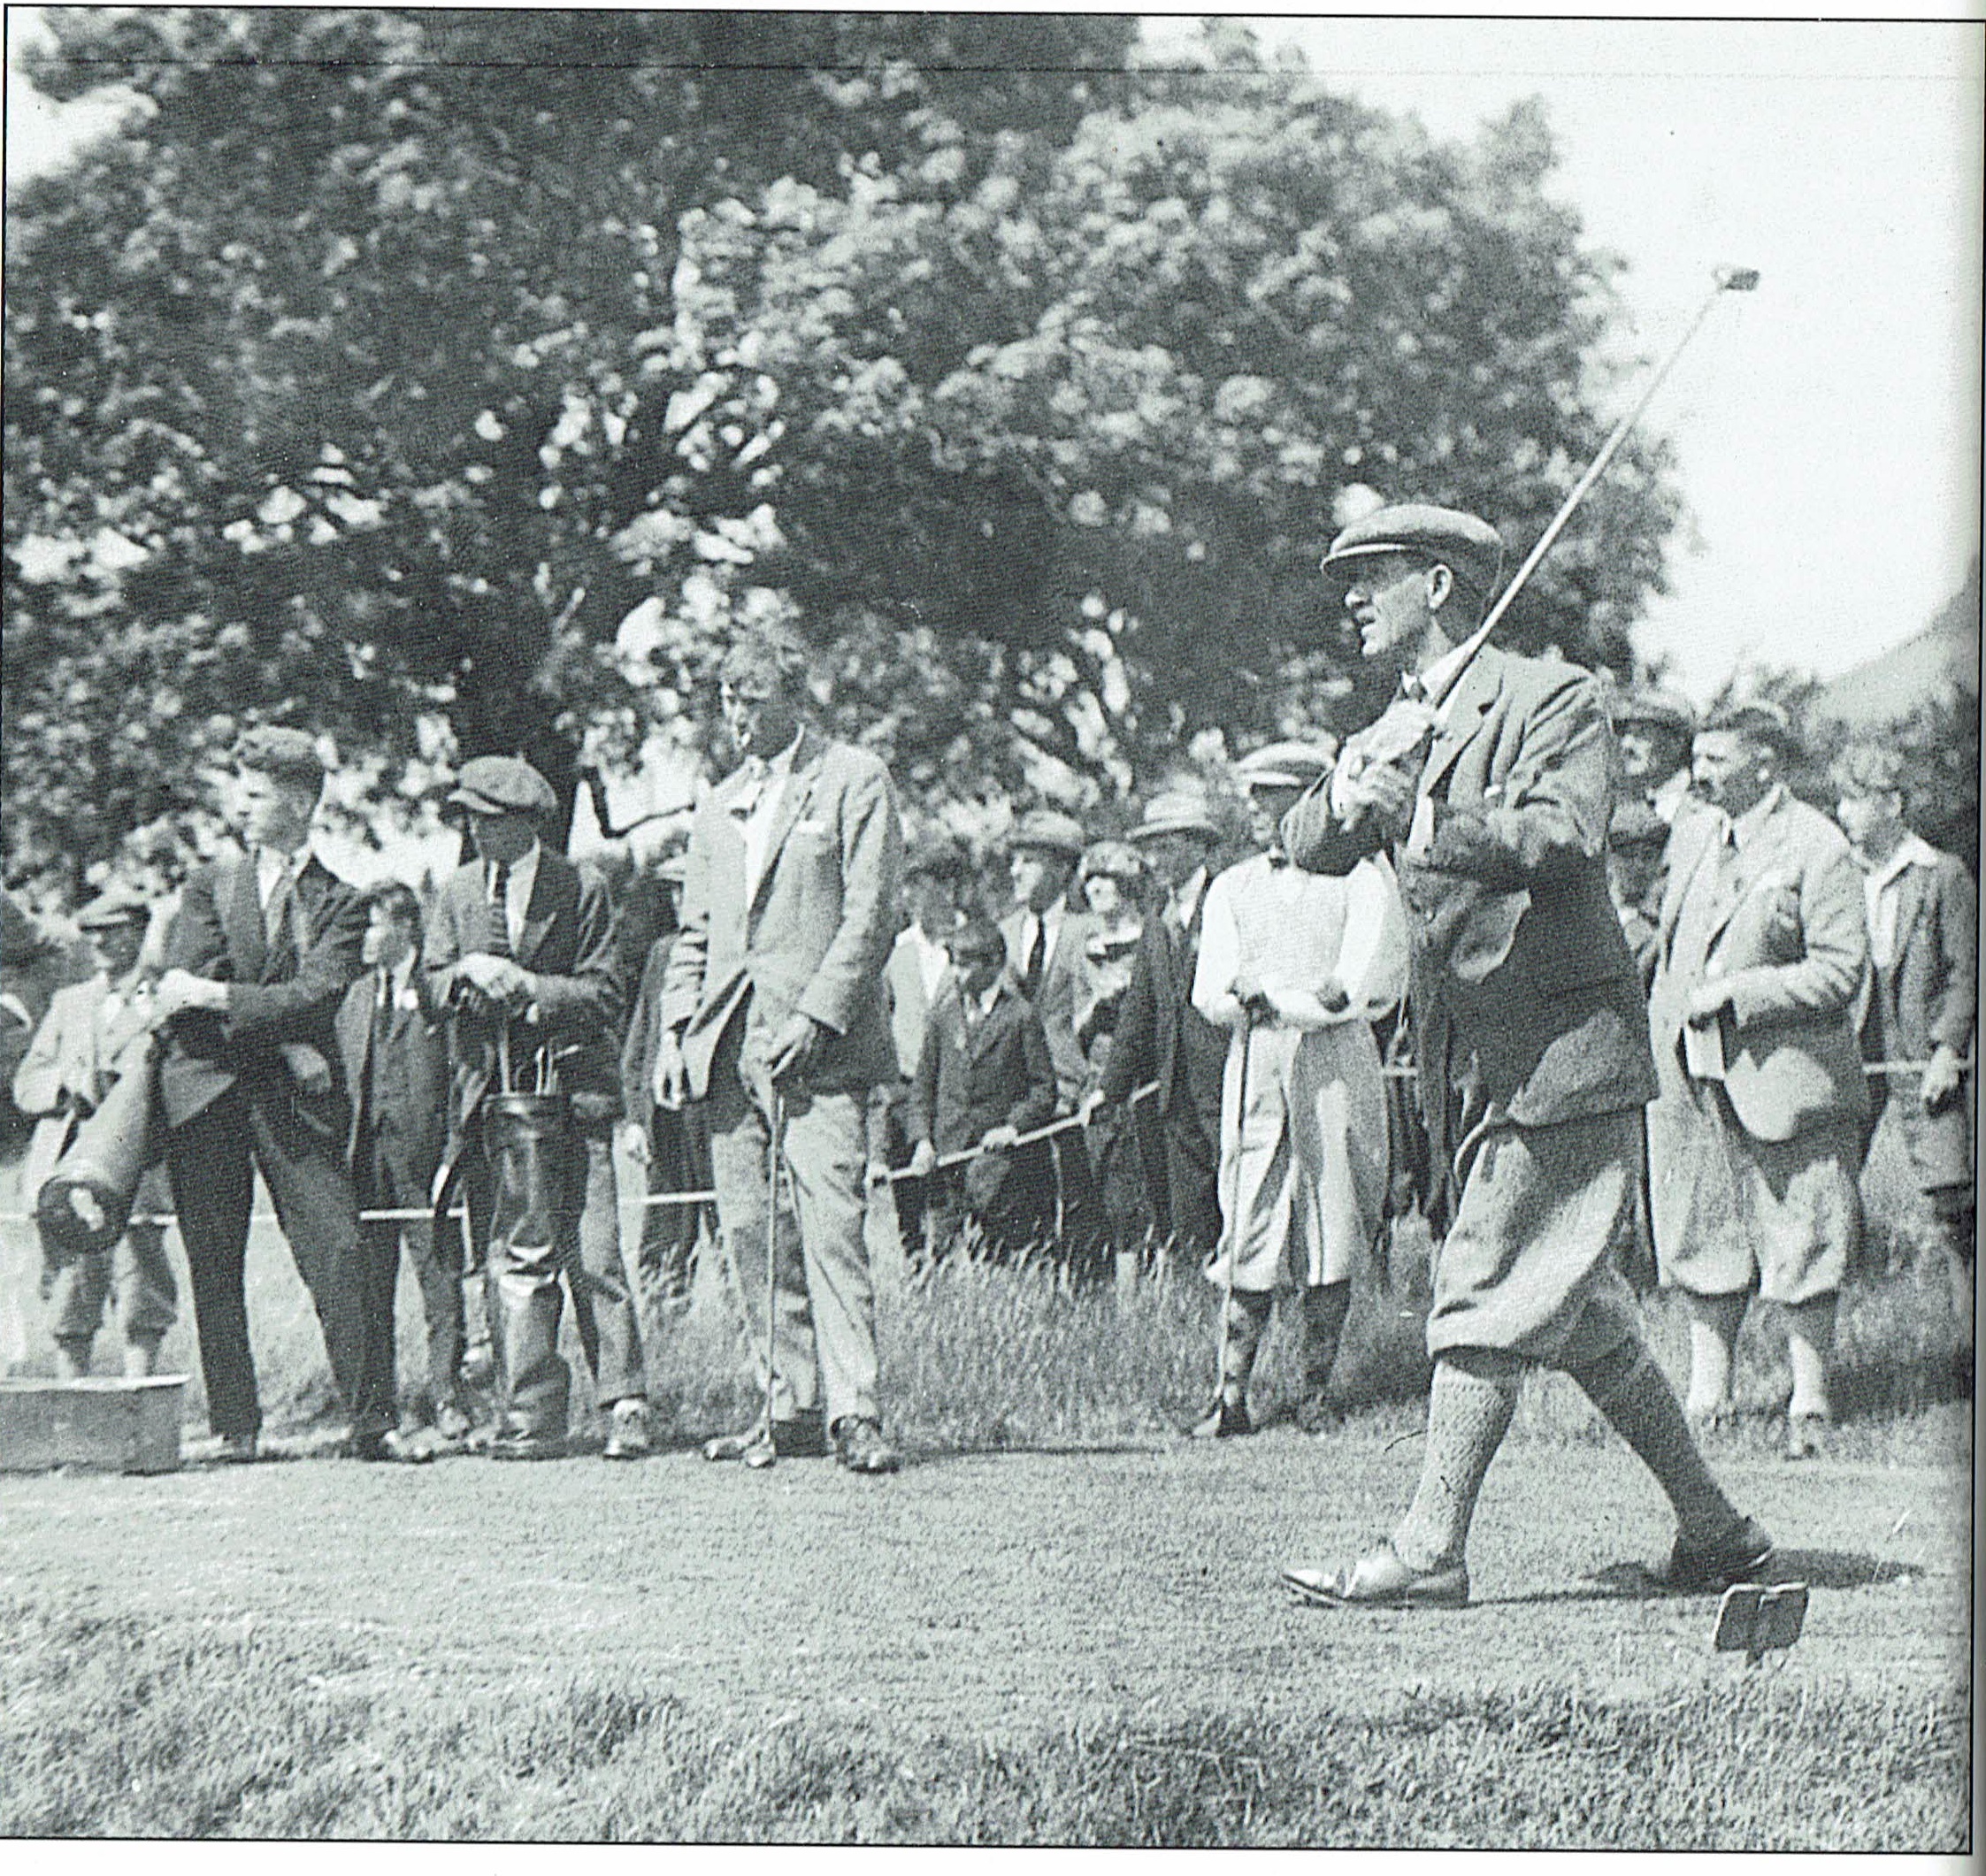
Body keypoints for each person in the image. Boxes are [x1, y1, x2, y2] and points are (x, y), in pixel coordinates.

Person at [1277, 502, 1769, 1609]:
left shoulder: (1553, 697)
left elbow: (1563, 835)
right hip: (1469, 1069)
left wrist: (1422, 819)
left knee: (1486, 1286)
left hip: (1566, 1050)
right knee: (1586, 1325)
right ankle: (1721, 1537)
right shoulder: (1398, 716)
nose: (1351, 597)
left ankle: (1428, 1549)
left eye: (1375, 574)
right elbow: (1303, 845)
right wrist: (1350, 793)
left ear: (1440, 586)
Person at [659, 624, 905, 1474]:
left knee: (832, 1227)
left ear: (792, 698)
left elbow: (870, 915)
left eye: (751, 698)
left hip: (820, 1051)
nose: (735, 713)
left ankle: (855, 1410)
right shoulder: (717, 802)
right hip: (728, 1046)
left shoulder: (853, 779)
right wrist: (676, 1031)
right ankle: (785, 1403)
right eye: (726, 696)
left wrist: (818, 1017)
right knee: (749, 1230)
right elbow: (694, 932)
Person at [150, 727, 405, 1462]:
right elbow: (182, 991)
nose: (240, 805)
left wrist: (226, 995)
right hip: (206, 1093)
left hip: (294, 1105)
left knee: (341, 1248)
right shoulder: (208, 885)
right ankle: (237, 1427)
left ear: (297, 802)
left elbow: (314, 995)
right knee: (214, 1261)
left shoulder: (343, 902)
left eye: (255, 793)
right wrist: (282, 1034)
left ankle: (371, 1421)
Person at [1647, 705, 1868, 1459]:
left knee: (1803, 1232)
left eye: (1715, 758)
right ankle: (1709, 1394)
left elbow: (1840, 971)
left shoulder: (1819, 846)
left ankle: (1810, 1400)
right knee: (1699, 1226)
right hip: (1691, 1074)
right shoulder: (1693, 833)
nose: (1698, 770)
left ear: (1765, 764)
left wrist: (1742, 991)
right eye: (1697, 756)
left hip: (1783, 1078)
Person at [426, 754, 652, 1462]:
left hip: (574, 1101)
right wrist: (463, 978)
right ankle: (530, 1413)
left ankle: (625, 1402)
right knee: (507, 1260)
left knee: (594, 1253)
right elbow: (431, 982)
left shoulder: (579, 886)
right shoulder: (458, 891)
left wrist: (527, 986)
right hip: (490, 1108)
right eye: (468, 818)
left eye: (486, 820)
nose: (474, 830)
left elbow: (604, 991)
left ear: (521, 824)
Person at [1189, 741, 1408, 1437]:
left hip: (1333, 1062)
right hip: (1254, 1060)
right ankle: (1230, 1395)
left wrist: (1275, 995)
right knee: (1247, 1208)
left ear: (1308, 798)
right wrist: (1265, 999)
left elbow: (1357, 987)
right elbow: (1212, 992)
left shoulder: (1362, 878)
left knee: (1331, 1214)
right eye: (1253, 796)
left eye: (1273, 795)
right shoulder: (1231, 886)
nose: (1257, 810)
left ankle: (1316, 1391)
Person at [1832, 739, 1976, 1337]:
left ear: (1890, 803)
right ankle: (1831, 1329)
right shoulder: (1839, 873)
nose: (1841, 811)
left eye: (1853, 798)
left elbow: (1965, 971)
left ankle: (1970, 1331)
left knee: (1951, 1196)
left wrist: (1947, 1048)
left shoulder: (1940, 874)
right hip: (1855, 1049)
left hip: (1920, 1048)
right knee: (1833, 1188)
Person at [12, 889, 178, 1380]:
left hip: (137, 1167)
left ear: (138, 934)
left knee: (140, 1287)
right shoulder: (71, 1003)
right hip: (68, 1170)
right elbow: (26, 1082)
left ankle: (138, 1405)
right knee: (70, 1290)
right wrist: (63, 1087)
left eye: (113, 932)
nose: (101, 944)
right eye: (93, 935)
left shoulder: (164, 1000)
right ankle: (73, 1410)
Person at [334, 881, 466, 1446]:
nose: (364, 938)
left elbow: (463, 1076)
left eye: (374, 925)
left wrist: (452, 1157)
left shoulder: (437, 987)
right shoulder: (358, 996)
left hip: (426, 1160)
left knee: (440, 1284)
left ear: (405, 927)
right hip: (367, 1163)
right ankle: (380, 1409)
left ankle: (449, 1400)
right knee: (371, 1289)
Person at [1091, 791, 1227, 1266]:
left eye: (1166, 846)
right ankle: (1194, 1311)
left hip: (1229, 1078)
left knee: (1237, 1195)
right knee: (1190, 1211)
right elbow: (1138, 1014)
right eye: (1151, 848)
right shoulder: (1157, 920)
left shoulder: (1228, 900)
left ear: (1197, 846)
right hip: (1176, 1088)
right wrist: (1109, 1088)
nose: (1156, 860)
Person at [905, 915, 1058, 1260]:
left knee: (1001, 1257)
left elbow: (1044, 1090)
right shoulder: (943, 1017)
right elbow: (922, 1088)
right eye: (954, 965)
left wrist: (1012, 1126)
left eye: (965, 966)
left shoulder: (1020, 1016)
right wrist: (922, 1141)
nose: (957, 975)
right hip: (946, 1166)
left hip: (1002, 1171)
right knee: (943, 1257)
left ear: (993, 965)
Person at [1001, 808, 1107, 1280]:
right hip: (1019, 1100)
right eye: (1014, 860)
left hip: (1072, 1098)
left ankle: (1085, 1289)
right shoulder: (1001, 936)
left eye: (1029, 861)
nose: (1015, 871)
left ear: (1063, 870)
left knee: (1083, 1201)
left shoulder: (1091, 932)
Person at [619, 847, 716, 1313]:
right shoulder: (662, 954)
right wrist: (636, 1119)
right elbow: (640, 1044)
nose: (680, 900)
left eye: (688, 888)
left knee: (733, 1229)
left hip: (718, 1117)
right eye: (674, 891)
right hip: (667, 1116)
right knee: (663, 1235)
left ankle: (752, 1341)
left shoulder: (731, 951)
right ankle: (664, 1330)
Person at [868, 836, 969, 1263]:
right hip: (906, 1091)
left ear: (946, 888)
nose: (909, 897)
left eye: (920, 885)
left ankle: (950, 1268)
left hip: (957, 1091)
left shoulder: (973, 944)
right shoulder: (897, 951)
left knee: (949, 1197)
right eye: (907, 886)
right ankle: (917, 1270)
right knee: (907, 1197)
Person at [1072, 839, 1154, 1284]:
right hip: (1097, 1078)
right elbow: (1074, 1024)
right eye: (1091, 880)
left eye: (1106, 879)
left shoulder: (1148, 939)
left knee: (1140, 1190)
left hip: (1142, 1079)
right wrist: (1098, 1003)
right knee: (1107, 1187)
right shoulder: (1086, 950)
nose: (1097, 888)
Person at [1608, 684, 1698, 828]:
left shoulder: (1694, 808)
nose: (1626, 744)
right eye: (1624, 733)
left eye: (1641, 734)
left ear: (1677, 742)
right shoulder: (1629, 799)